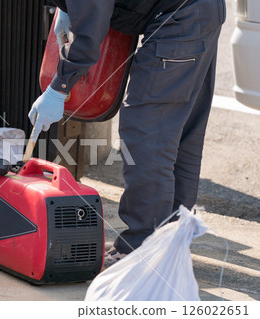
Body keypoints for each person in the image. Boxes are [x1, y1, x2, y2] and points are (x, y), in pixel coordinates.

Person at [28, 0, 226, 269]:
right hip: (197, 12)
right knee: (180, 134)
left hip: (180, 18)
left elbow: (88, 39)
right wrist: (67, 8)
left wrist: (58, 88)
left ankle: (141, 248)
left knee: (146, 135)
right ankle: (172, 242)